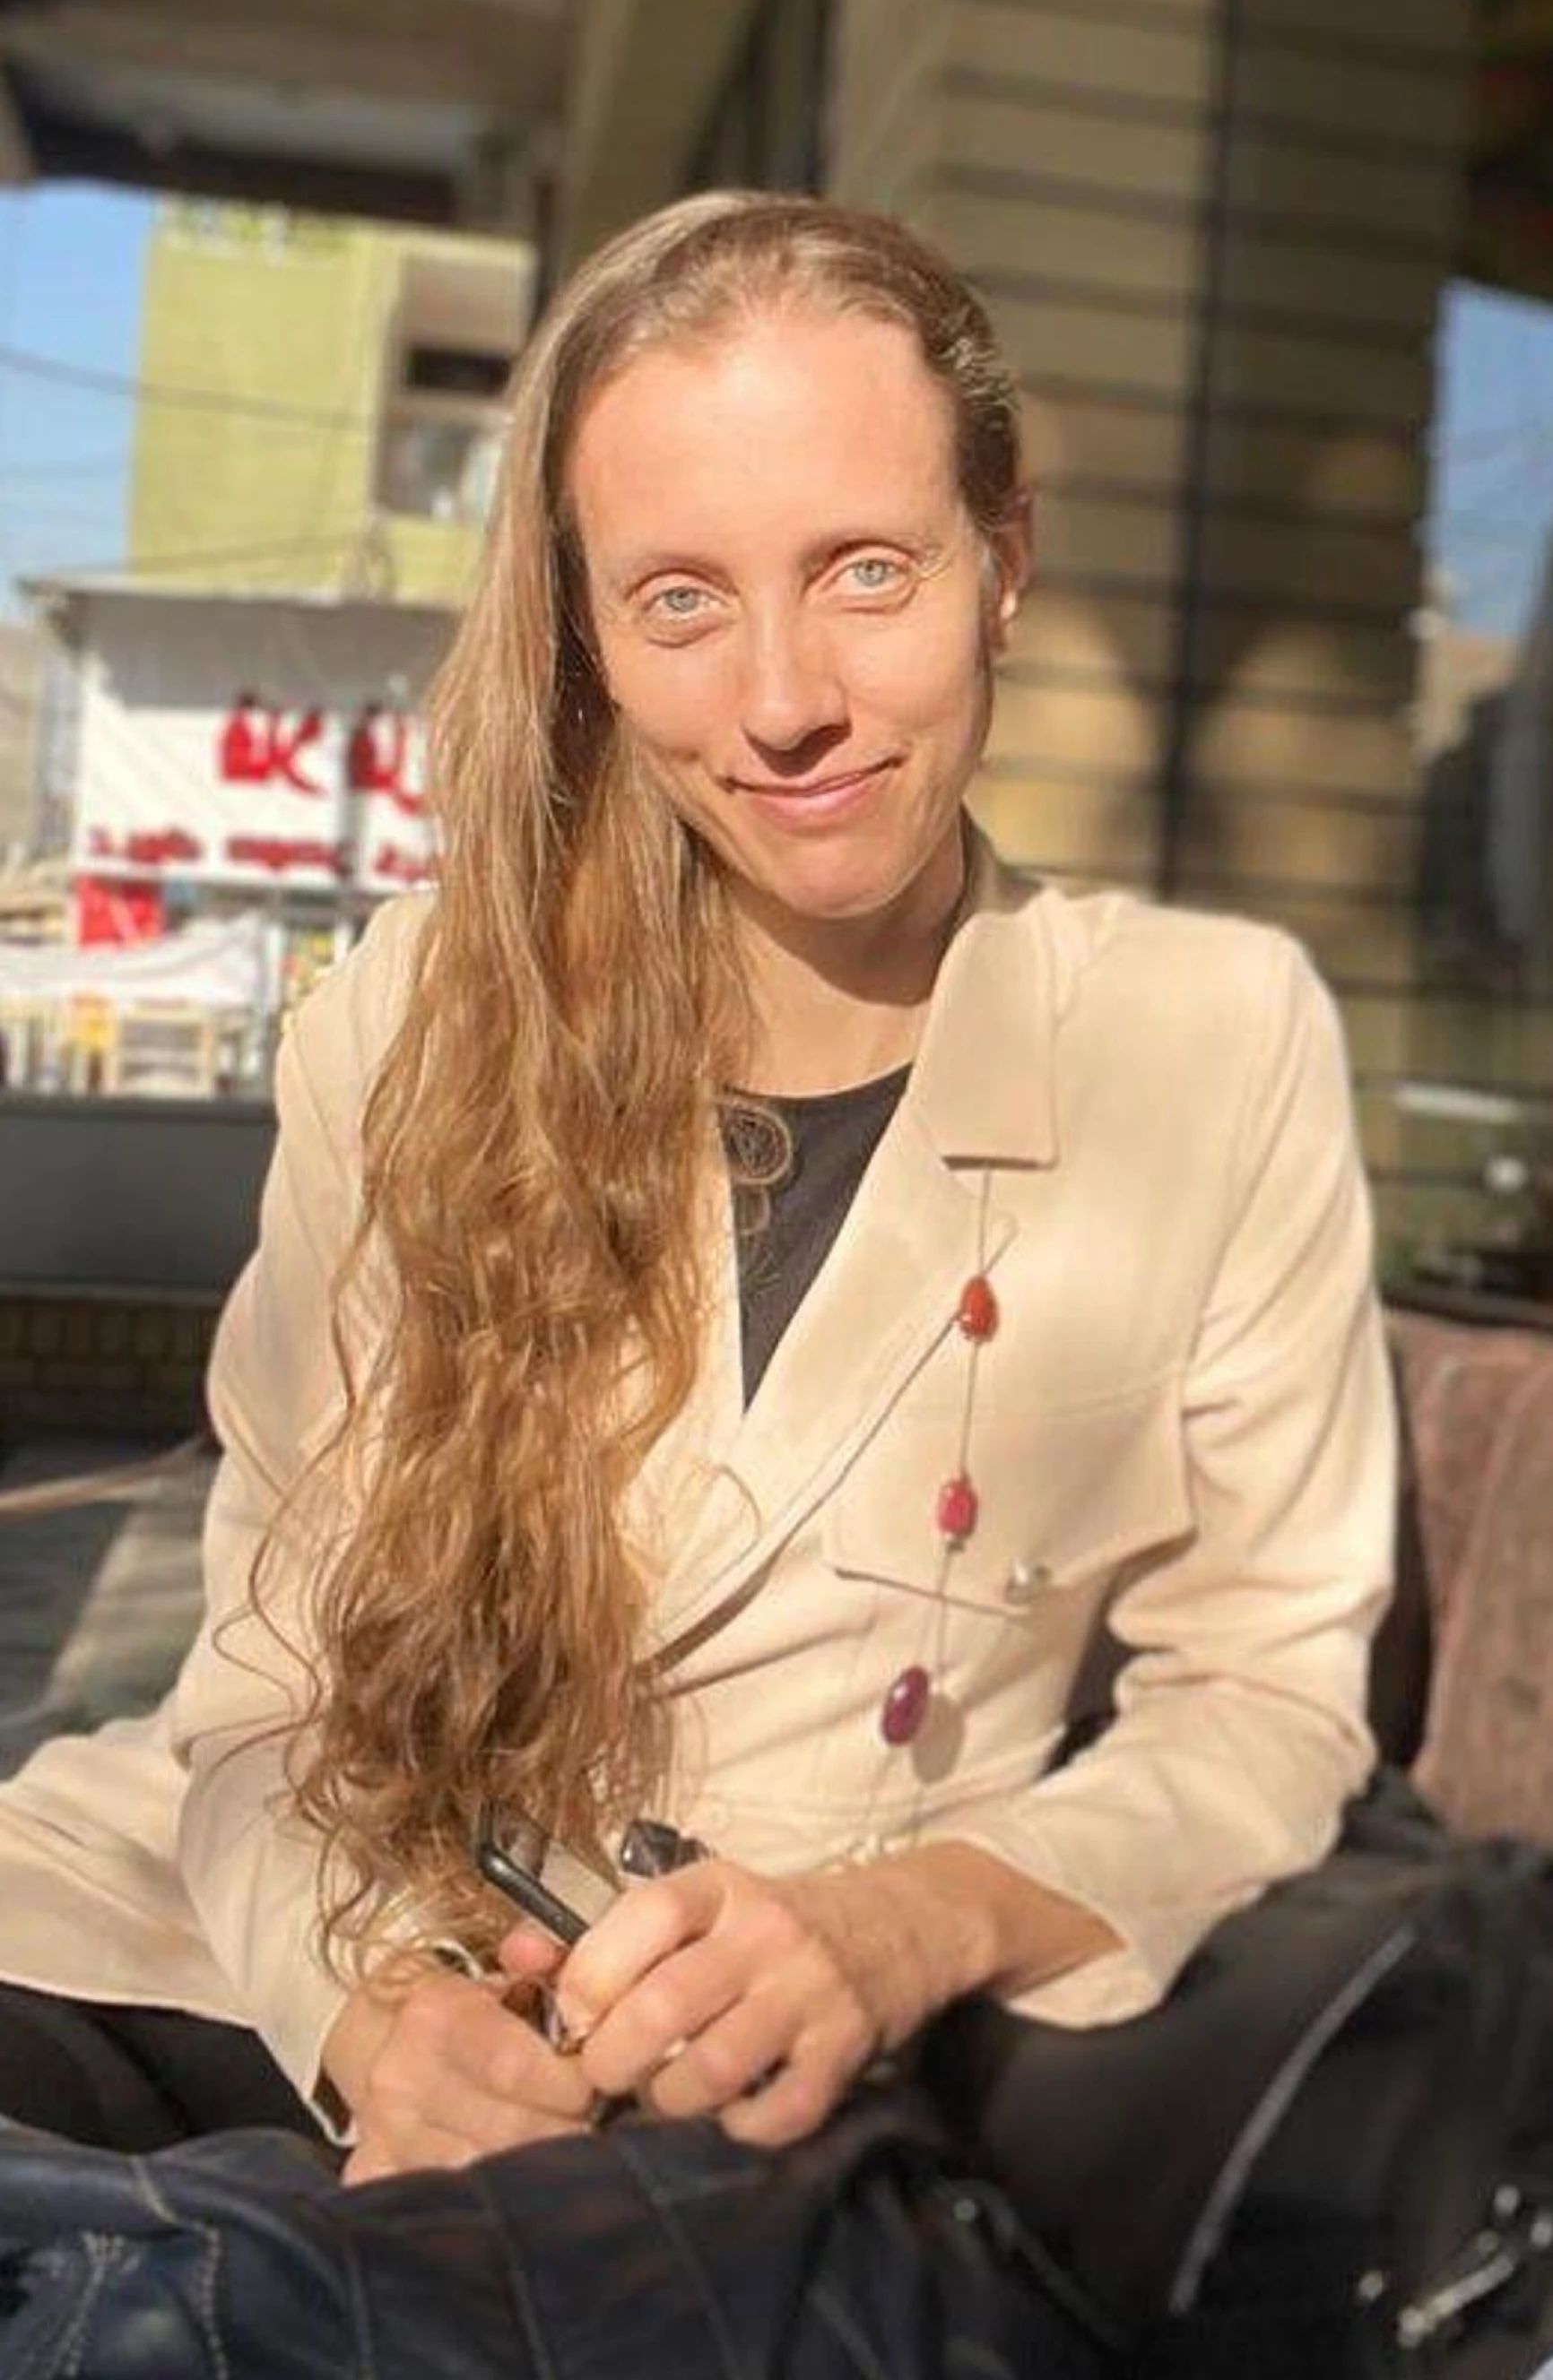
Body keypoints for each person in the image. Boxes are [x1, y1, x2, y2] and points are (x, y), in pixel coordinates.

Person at [0, 193, 1393, 2189]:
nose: (779, 703)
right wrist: (374, 2007)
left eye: (861, 573)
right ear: (584, 631)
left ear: (1000, 566)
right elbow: (268, 1690)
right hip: (234, 1967)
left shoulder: (1204, 1040)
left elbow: (1263, 1698)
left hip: (773, 2083)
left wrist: (900, 1925)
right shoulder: (410, 1018)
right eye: (678, 600)